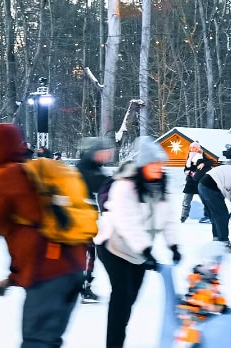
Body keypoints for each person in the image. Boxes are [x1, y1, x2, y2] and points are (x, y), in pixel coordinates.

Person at [0, 123, 87, 348]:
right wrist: (16, 275)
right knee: (47, 342)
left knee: (37, 342)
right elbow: (33, 230)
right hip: (71, 270)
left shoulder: (5, 178)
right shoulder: (29, 174)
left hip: (49, 276)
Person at [96, 138, 180, 348]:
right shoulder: (124, 186)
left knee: (130, 298)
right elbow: (127, 222)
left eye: (160, 165)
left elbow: (168, 218)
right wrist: (146, 249)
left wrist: (173, 245)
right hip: (113, 247)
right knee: (122, 297)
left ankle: (118, 332)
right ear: (143, 166)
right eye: (153, 165)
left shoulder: (160, 187)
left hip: (139, 253)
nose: (158, 168)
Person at [76, 136, 115, 304]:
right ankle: (82, 287)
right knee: (87, 253)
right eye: (104, 153)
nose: (106, 156)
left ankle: (83, 285)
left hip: (87, 218)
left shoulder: (93, 167)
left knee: (90, 253)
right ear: (95, 153)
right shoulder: (85, 167)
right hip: (80, 219)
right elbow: (99, 183)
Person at [198, 152, 231, 251]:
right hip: (210, 188)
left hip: (202, 186)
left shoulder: (224, 169)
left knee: (214, 215)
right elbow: (230, 189)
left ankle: (217, 241)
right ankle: (223, 243)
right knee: (222, 215)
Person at [181, 143, 215, 223]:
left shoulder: (201, 155)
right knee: (186, 200)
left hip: (199, 182)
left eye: (194, 147)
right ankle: (184, 216)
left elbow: (211, 162)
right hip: (190, 182)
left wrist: (203, 164)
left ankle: (207, 216)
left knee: (205, 200)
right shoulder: (189, 156)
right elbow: (186, 168)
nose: (192, 149)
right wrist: (187, 171)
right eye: (191, 147)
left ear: (197, 148)